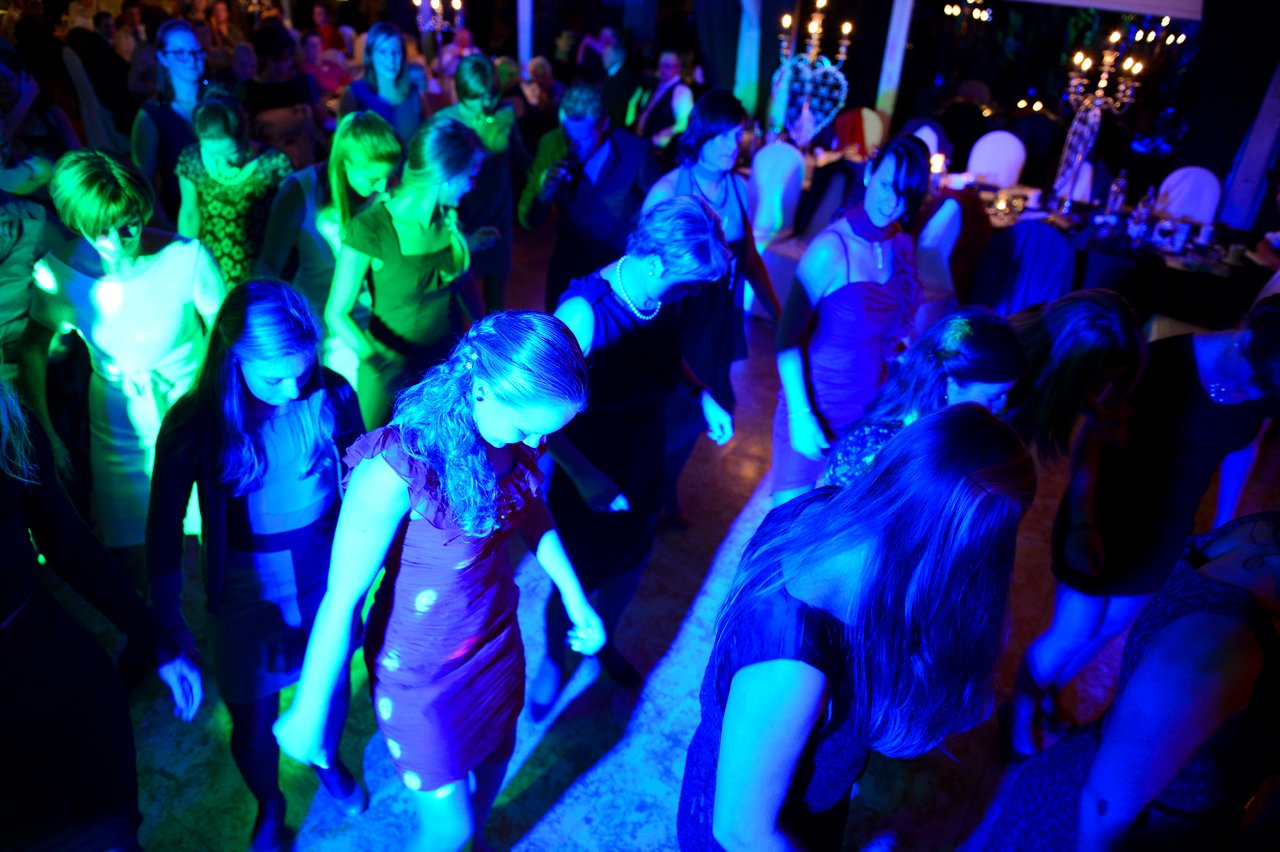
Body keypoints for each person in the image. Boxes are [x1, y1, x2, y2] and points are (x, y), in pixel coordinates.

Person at [274, 310, 606, 852]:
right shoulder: (395, 469)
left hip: (495, 641)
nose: (537, 442)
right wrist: (311, 709)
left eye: (547, 431)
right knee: (451, 830)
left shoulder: (520, 438)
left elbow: (529, 505)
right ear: (482, 385)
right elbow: (342, 598)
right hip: (419, 672)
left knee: (493, 770)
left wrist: (574, 598)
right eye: (528, 427)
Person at [679, 404, 1036, 851]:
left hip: (805, 801)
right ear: (961, 546)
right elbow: (741, 831)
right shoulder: (791, 661)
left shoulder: (822, 508)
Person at [148, 281, 367, 850]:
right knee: (250, 715)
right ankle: (269, 803)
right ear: (231, 358)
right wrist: (169, 623)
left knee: (332, 682)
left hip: (326, 576)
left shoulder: (334, 394)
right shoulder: (194, 424)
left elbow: (367, 487)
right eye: (273, 377)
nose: (295, 388)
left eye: (303, 369)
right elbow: (163, 530)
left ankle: (325, 756)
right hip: (246, 590)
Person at [1009, 296, 1280, 756]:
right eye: (1256, 381)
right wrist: (1083, 523)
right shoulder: (1162, 362)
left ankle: (1051, 692)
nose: (1258, 395)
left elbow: (1243, 448)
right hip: (1105, 512)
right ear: (1246, 335)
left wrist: (1221, 528)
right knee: (1074, 629)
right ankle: (1018, 713)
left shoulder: (1272, 376)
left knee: (1112, 624)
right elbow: (1091, 442)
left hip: (1166, 528)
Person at [966, 512, 1280, 850]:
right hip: (1097, 831)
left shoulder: (1261, 533)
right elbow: (1104, 807)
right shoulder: (1215, 647)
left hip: (1106, 787)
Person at [531, 196, 734, 715]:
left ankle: (609, 641)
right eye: (687, 283)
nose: (691, 295)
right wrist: (589, 480)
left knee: (631, 561)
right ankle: (553, 657)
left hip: (645, 453)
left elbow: (666, 359)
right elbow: (536, 421)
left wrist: (700, 393)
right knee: (579, 571)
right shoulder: (585, 315)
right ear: (654, 263)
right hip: (590, 474)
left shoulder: (663, 298)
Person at [1, 374, 198, 852]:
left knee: (114, 838)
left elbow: (67, 542)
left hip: (54, 674)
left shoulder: (7, 417)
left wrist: (156, 638)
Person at [15, 150, 225, 584]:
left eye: (128, 220)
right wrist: (47, 431)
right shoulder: (60, 275)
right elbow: (32, 348)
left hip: (190, 409)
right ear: (78, 224)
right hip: (117, 421)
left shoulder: (186, 257)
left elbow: (227, 334)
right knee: (130, 544)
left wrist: (214, 402)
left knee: (214, 532)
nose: (118, 238)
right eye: (101, 230)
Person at [644, 89, 780, 525]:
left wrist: (780, 315)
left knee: (705, 408)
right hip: (675, 324)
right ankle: (648, 494)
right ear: (700, 135)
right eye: (720, 135)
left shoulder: (741, 188)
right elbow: (642, 265)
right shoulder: (668, 190)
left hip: (718, 323)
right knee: (667, 412)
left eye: (736, 135)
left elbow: (752, 259)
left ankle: (665, 490)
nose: (730, 145)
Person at [771, 134, 930, 506]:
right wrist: (800, 414)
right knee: (784, 530)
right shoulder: (831, 248)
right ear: (870, 172)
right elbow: (786, 337)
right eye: (887, 185)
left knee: (836, 527)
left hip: (869, 410)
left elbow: (898, 326)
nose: (892, 202)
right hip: (816, 403)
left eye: (904, 194)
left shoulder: (897, 242)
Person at [327, 114, 485, 429]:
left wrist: (483, 336)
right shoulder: (371, 229)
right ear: (447, 175)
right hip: (388, 378)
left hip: (443, 370)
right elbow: (336, 314)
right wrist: (379, 365)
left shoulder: (448, 220)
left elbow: (464, 287)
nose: (473, 186)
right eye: (470, 175)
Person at [258, 110, 401, 386]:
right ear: (344, 163)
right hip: (323, 329)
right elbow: (268, 265)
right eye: (373, 179)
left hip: (381, 323)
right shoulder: (299, 190)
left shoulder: (389, 189)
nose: (383, 186)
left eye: (389, 175)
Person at [825, 308, 1027, 486]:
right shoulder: (873, 449)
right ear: (950, 383)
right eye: (995, 396)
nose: (1001, 406)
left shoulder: (957, 434)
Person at [518, 82, 659, 311]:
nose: (573, 146)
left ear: (604, 124)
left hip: (620, 268)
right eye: (568, 136)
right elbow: (528, 219)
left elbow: (661, 207)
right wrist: (544, 192)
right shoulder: (552, 145)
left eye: (582, 139)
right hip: (570, 265)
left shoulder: (634, 151)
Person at [436, 54, 529, 312]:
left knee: (496, 298)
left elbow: (521, 158)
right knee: (456, 293)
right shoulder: (444, 123)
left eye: (491, 94)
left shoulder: (504, 115)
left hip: (498, 215)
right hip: (460, 218)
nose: (486, 103)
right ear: (461, 91)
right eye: (478, 97)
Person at [177, 94, 294, 285]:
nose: (224, 163)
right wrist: (185, 262)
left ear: (245, 133)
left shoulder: (274, 164)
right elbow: (190, 214)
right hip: (212, 268)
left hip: (263, 268)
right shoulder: (191, 159)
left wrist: (268, 272)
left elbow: (285, 226)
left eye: (232, 153)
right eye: (213, 154)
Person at [132, 19, 203, 230]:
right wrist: (174, 237)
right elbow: (144, 187)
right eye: (180, 52)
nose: (190, 58)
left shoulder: (217, 102)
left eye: (195, 51)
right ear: (163, 58)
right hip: (181, 220)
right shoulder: (151, 116)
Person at [338, 22, 431, 149]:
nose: (391, 58)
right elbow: (344, 147)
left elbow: (429, 138)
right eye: (383, 51)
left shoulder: (415, 93)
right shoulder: (354, 94)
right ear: (371, 55)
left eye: (396, 51)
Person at [633, 51, 693, 152]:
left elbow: (684, 124)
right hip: (641, 143)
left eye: (667, 66)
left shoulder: (681, 91)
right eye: (661, 65)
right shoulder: (654, 87)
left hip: (658, 151)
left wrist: (657, 140)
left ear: (677, 68)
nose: (662, 69)